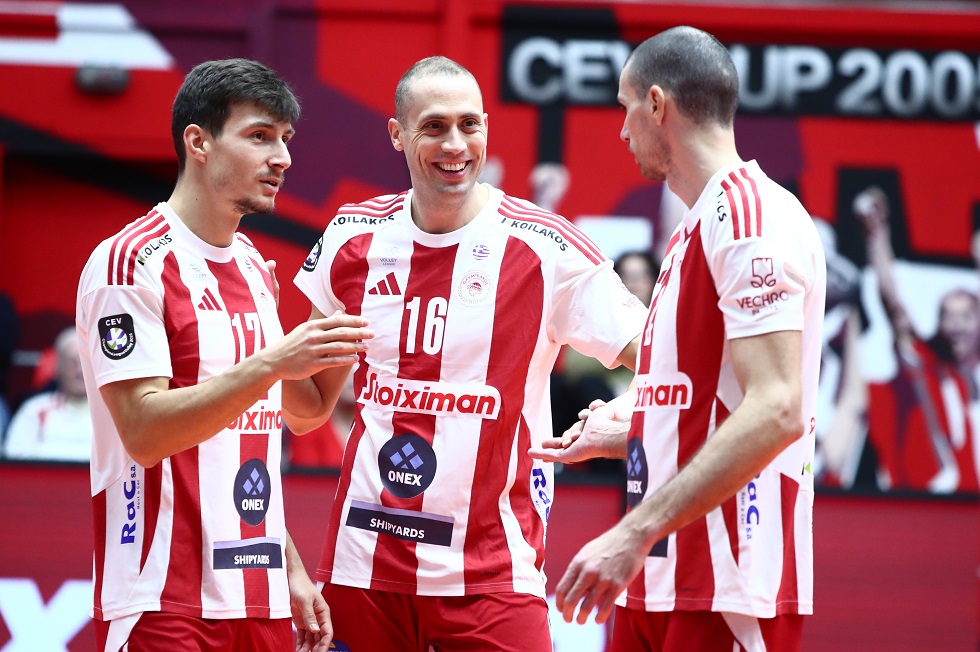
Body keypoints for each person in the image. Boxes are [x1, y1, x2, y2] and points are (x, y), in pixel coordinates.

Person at [289, 55, 648, 651]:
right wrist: (265, 360)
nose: (454, 145)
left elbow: (666, 359)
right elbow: (307, 411)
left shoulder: (545, 248)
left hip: (493, 569)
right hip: (364, 564)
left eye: (469, 125)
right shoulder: (352, 238)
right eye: (433, 127)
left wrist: (625, 420)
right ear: (397, 134)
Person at [530, 27, 827, 651]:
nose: (621, 130)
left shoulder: (750, 218)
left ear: (657, 104)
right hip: (659, 574)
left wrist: (632, 532)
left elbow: (777, 407)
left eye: (625, 108)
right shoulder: (698, 225)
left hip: (728, 580)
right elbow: (708, 401)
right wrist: (632, 430)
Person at [75, 58, 373, 652]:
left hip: (257, 594)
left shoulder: (253, 268)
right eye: (260, 136)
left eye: (285, 139)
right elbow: (145, 432)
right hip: (163, 596)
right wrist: (272, 362)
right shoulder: (129, 262)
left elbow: (299, 414)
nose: (282, 158)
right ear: (199, 143)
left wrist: (288, 564)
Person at [855, 186, 979, 493]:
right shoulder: (933, 372)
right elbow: (895, 308)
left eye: (966, 317)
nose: (956, 326)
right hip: (941, 503)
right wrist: (877, 236)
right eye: (948, 316)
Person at [3, 326, 92, 461]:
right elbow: (14, 457)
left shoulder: (112, 413)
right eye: (72, 362)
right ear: (57, 367)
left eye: (85, 362)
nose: (80, 370)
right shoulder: (34, 410)